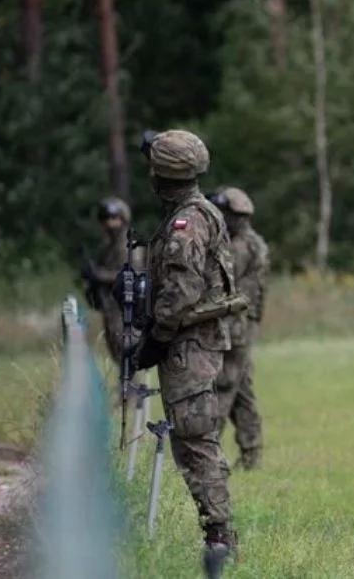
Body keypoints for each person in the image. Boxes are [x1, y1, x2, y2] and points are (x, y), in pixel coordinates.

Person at [133, 129, 241, 565]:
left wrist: (156, 339)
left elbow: (181, 290)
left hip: (189, 345)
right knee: (190, 439)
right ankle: (217, 534)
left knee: (196, 440)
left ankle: (220, 540)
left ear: (161, 176)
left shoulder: (188, 222)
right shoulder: (194, 212)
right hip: (191, 343)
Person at [210, 186, 268, 470]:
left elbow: (220, 286)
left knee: (223, 387)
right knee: (241, 391)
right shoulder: (255, 242)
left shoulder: (238, 248)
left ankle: (208, 455)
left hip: (233, 328)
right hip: (244, 325)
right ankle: (251, 453)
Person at [80, 197, 135, 361]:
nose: (109, 223)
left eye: (113, 218)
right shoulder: (107, 247)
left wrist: (99, 275)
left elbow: (130, 274)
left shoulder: (129, 245)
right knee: (117, 353)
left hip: (126, 308)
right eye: (105, 219)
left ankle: (132, 386)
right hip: (110, 307)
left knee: (126, 354)